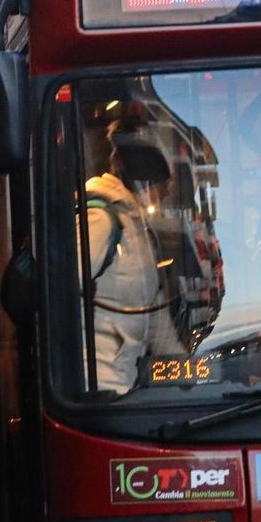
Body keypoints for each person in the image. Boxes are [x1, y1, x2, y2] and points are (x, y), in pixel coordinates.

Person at [84, 132, 186, 393]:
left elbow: (152, 312)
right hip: (97, 382)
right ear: (144, 183)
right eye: (159, 192)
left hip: (121, 378)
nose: (159, 202)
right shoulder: (100, 219)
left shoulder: (135, 226)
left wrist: (186, 371)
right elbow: (61, 294)